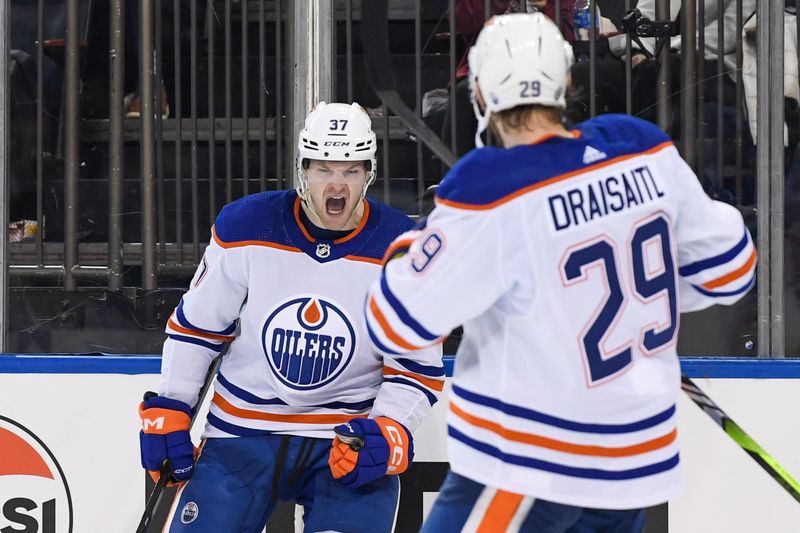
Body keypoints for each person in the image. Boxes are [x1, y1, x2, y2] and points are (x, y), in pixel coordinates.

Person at [366, 13, 755, 532]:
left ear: (479, 91)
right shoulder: (640, 145)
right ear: (567, 82)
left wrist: (413, 242)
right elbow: (731, 271)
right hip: (632, 462)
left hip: (529, 461)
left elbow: (396, 323)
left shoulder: (489, 184)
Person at [138, 102, 444, 532]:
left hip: (345, 443)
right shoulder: (247, 225)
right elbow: (198, 328)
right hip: (243, 433)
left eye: (350, 171)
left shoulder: (404, 250)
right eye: (323, 169)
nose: (336, 186)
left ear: (369, 173)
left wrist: (387, 429)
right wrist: (171, 406)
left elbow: (415, 369)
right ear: (303, 170)